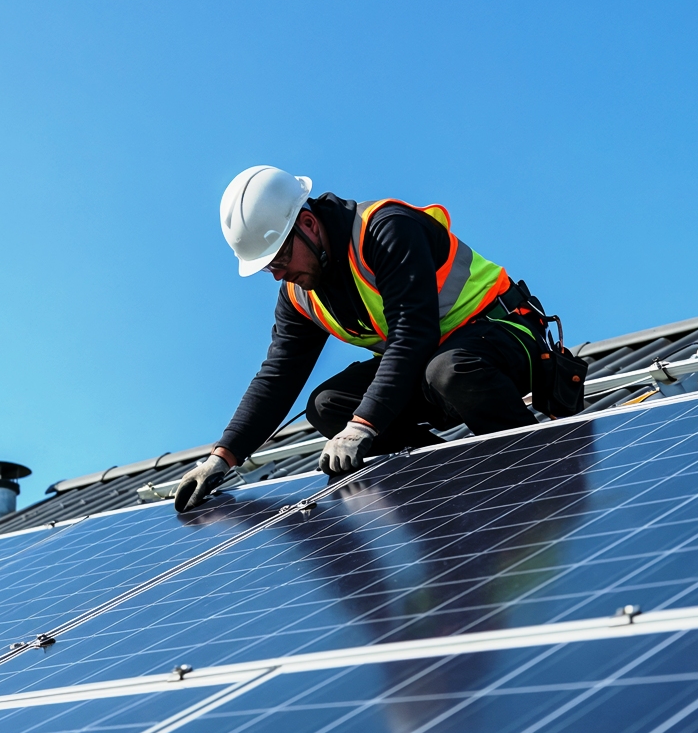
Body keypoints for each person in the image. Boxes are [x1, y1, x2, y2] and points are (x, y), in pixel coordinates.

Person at [175, 165, 552, 512]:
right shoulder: (299, 294)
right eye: (268, 267)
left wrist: (364, 425)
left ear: (308, 224)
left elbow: (413, 332)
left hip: (504, 336)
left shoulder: (385, 229)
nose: (277, 274)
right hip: (429, 366)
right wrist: (223, 456)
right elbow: (278, 376)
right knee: (327, 405)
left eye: (280, 258)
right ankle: (449, 484)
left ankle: (533, 469)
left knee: (448, 371)